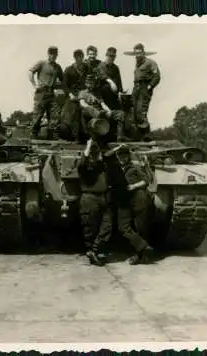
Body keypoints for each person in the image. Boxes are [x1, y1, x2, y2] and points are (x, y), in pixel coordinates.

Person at [103, 144, 155, 265]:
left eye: (125, 155)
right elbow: (106, 155)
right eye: (120, 155)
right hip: (122, 201)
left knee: (140, 227)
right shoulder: (115, 167)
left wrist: (133, 186)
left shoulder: (134, 167)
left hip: (137, 200)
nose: (122, 157)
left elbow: (146, 180)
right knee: (124, 227)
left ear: (128, 156)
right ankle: (142, 247)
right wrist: (117, 147)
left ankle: (141, 255)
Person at [77, 138, 113, 266]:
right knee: (90, 228)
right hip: (89, 198)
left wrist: (100, 148)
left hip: (103, 198)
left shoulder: (100, 166)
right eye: (93, 155)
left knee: (107, 226)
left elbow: (103, 158)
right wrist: (87, 146)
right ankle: (92, 252)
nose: (95, 156)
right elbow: (82, 162)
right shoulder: (84, 168)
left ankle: (95, 250)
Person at [28, 46, 64, 139]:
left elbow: (63, 80)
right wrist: (34, 85)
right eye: (51, 53)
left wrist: (58, 88)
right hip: (41, 92)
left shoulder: (57, 67)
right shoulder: (42, 63)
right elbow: (30, 72)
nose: (53, 56)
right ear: (48, 54)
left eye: (55, 54)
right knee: (38, 114)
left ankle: (51, 134)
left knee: (53, 114)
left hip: (51, 92)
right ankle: (34, 134)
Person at [131, 43, 161, 133]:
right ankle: (139, 135)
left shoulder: (150, 62)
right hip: (136, 88)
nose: (138, 55)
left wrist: (150, 86)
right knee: (134, 111)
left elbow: (157, 76)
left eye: (140, 53)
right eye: (136, 53)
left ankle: (147, 134)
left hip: (144, 88)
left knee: (141, 111)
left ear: (143, 52)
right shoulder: (137, 64)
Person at [61, 49, 88, 141]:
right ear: (75, 58)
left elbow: (91, 80)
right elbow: (64, 85)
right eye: (77, 57)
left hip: (84, 95)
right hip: (73, 95)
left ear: (83, 57)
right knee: (71, 115)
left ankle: (86, 135)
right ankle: (75, 136)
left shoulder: (86, 68)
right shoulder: (69, 69)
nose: (79, 59)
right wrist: (70, 94)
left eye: (80, 56)